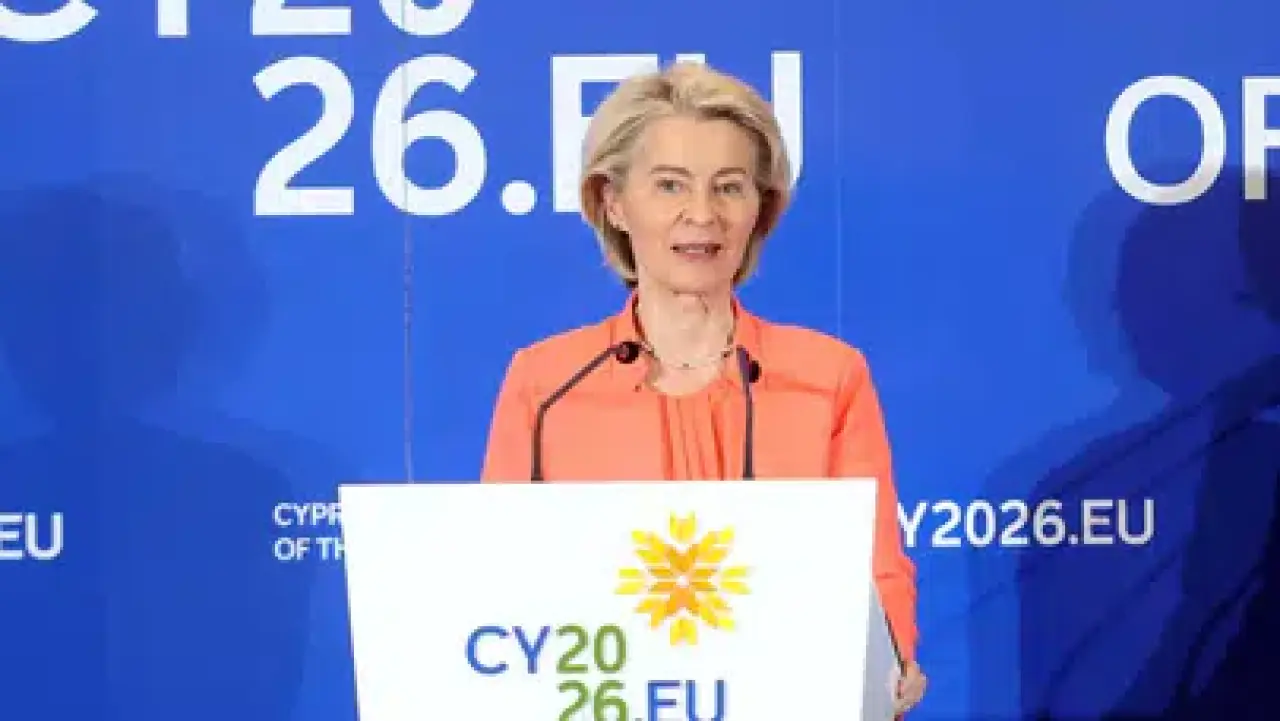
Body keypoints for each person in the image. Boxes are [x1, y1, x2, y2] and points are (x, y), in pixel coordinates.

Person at [480, 61, 926, 715]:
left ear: (760, 208)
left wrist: (891, 661)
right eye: (670, 185)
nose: (702, 214)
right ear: (613, 202)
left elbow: (876, 570)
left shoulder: (829, 377)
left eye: (729, 187)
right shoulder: (543, 384)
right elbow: (500, 588)